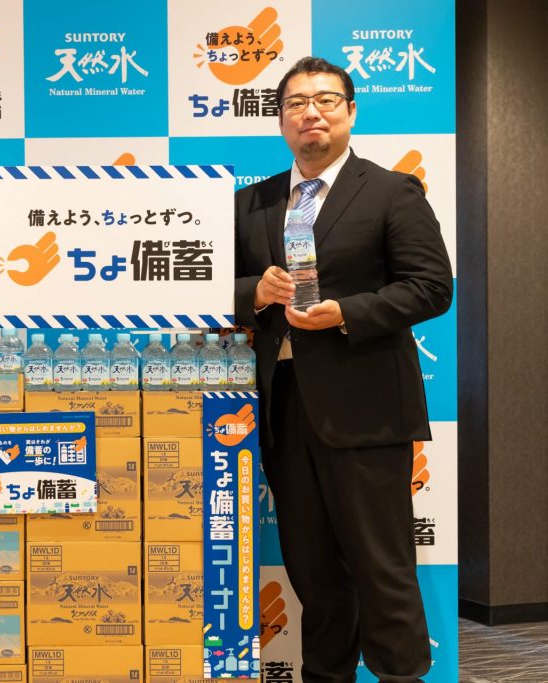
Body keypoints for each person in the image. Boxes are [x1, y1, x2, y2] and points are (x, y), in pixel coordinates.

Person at [233, 57, 452, 681]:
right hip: (282, 408)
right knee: (312, 571)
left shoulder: (391, 191)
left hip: (367, 410)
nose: (311, 113)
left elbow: (431, 287)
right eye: (296, 103)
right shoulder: (252, 202)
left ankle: (401, 675)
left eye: (326, 100)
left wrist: (345, 313)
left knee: (383, 568)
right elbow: (211, 288)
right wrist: (256, 292)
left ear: (350, 112)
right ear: (280, 120)